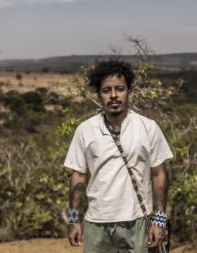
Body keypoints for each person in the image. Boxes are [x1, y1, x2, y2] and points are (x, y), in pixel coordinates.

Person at [64, 59, 173, 253]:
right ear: (98, 95)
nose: (114, 95)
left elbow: (159, 174)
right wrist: (73, 219)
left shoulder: (148, 127)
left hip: (138, 221)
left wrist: (160, 218)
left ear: (129, 91)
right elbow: (78, 176)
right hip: (97, 224)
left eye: (120, 89)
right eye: (106, 90)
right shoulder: (85, 130)